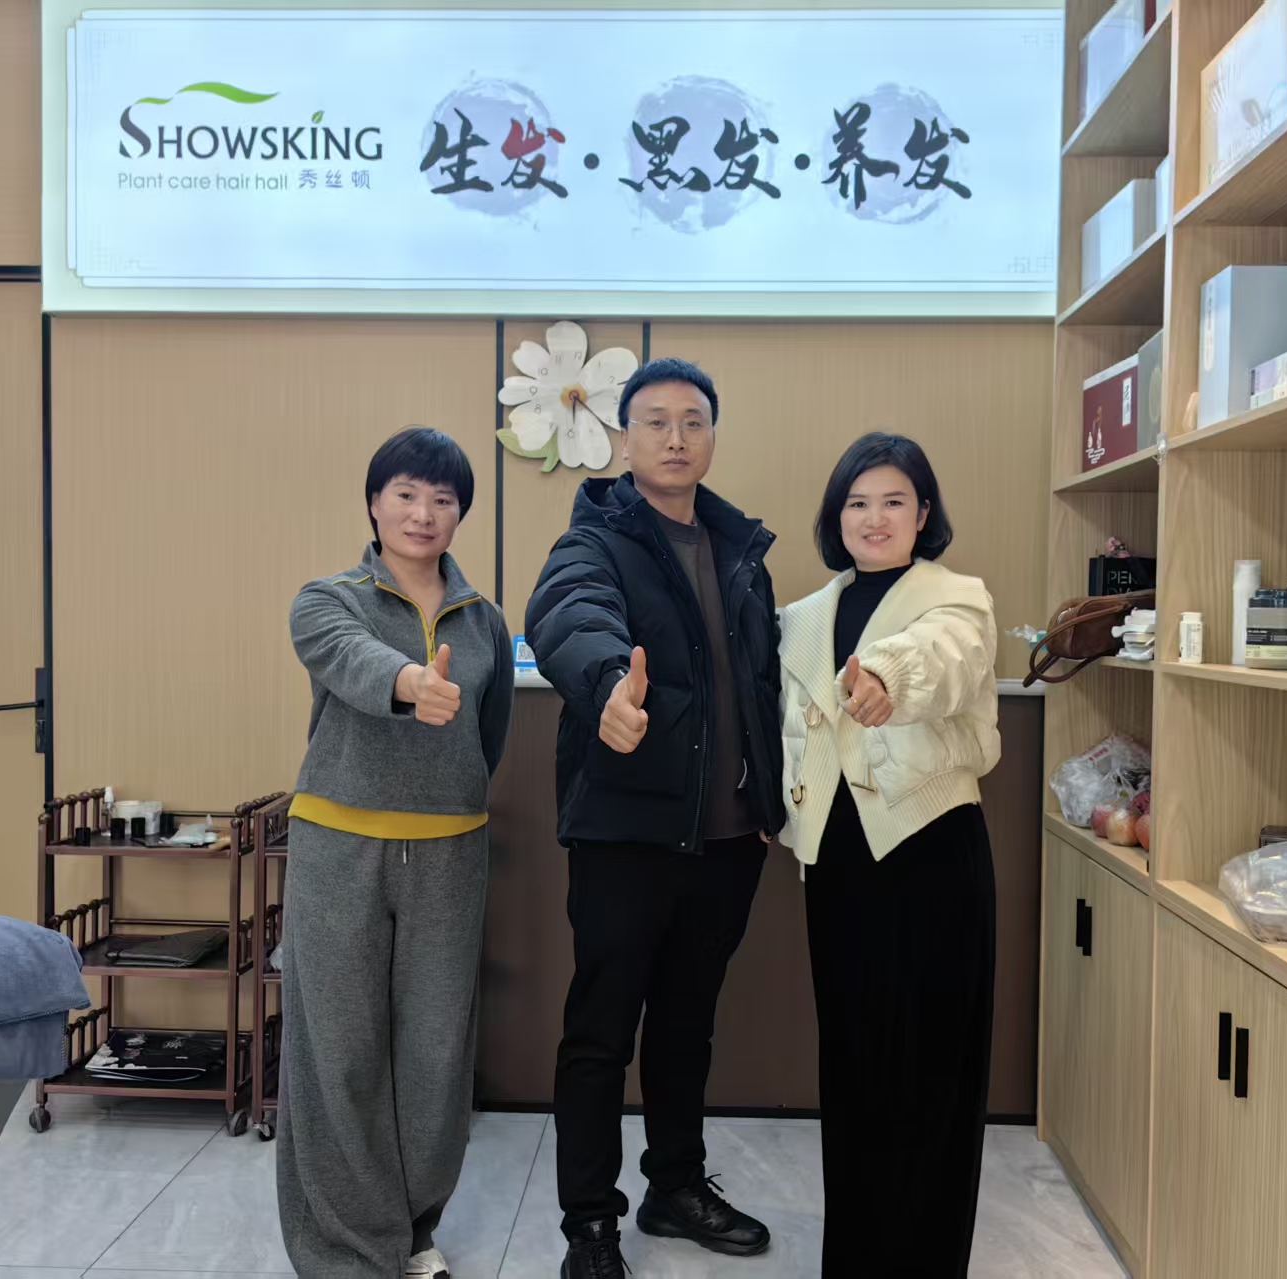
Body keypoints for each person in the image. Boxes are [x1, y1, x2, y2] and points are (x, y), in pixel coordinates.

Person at [525, 357, 786, 1279]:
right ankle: (590, 1226)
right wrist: (606, 685)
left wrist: (768, 802)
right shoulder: (595, 537)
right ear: (625, 437)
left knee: (686, 1024)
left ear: (712, 435)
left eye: (693, 421)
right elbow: (568, 614)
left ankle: (674, 1185)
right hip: (626, 833)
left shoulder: (740, 548)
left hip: (726, 840)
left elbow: (760, 683)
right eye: (655, 421)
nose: (676, 438)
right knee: (601, 1032)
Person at [277, 427, 515, 1279]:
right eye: (406, 493)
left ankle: (412, 1228)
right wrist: (411, 683)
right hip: (338, 847)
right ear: (374, 502)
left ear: (460, 514)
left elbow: (491, 733)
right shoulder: (326, 599)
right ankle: (345, 1248)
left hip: (449, 855)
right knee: (338, 1049)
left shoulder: (484, 620)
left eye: (443, 499)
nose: (423, 513)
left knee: (435, 1056)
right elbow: (348, 660)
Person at [777, 432, 1001, 1278]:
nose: (875, 518)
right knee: (854, 1066)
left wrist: (886, 678)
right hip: (836, 867)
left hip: (932, 855)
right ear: (837, 517)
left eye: (894, 501)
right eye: (858, 502)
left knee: (932, 1072)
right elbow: (790, 729)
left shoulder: (958, 598)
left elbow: (944, 658)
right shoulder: (803, 616)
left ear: (923, 513)